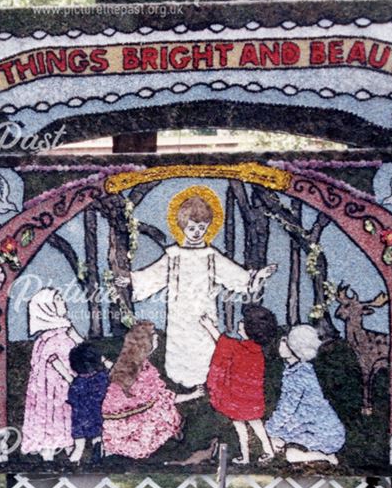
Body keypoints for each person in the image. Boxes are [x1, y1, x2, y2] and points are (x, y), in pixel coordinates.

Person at [117, 186, 277, 389]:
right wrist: (132, 280)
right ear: (183, 226)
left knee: (204, 343)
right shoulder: (174, 254)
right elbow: (154, 275)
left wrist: (257, 276)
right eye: (192, 228)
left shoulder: (210, 255)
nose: (197, 233)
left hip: (203, 307)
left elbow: (235, 276)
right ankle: (180, 378)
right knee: (181, 342)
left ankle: (207, 379)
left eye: (202, 228)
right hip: (179, 309)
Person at [100, 321, 202, 459]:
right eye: (153, 337)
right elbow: (165, 398)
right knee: (163, 410)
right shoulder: (144, 372)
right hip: (131, 427)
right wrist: (193, 395)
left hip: (115, 424)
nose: (156, 339)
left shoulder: (127, 362)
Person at [200, 305, 278, 464]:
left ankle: (246, 457)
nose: (240, 323)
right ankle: (268, 451)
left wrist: (208, 326)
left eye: (244, 321)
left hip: (237, 398)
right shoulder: (257, 351)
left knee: (241, 428)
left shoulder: (240, 348)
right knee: (257, 425)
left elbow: (222, 341)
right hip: (252, 399)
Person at [265, 324, 345, 465]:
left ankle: (326, 457)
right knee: (275, 444)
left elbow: (288, 407)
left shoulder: (301, 374)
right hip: (304, 427)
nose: (280, 347)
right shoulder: (294, 370)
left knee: (287, 454)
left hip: (322, 432)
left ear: (296, 348)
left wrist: (271, 430)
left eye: (285, 343)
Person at [21, 288, 81, 461]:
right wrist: (71, 379)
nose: (63, 301)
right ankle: (48, 451)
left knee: (65, 415)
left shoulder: (64, 330)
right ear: (47, 307)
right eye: (58, 299)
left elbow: (82, 348)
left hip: (64, 388)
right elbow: (54, 360)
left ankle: (67, 447)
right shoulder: (51, 337)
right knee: (52, 415)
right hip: (53, 390)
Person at [66, 342, 111, 463]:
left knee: (79, 443)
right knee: (97, 436)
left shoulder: (77, 382)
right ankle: (97, 451)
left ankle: (75, 458)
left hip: (80, 418)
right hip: (97, 413)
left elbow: (72, 398)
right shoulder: (102, 377)